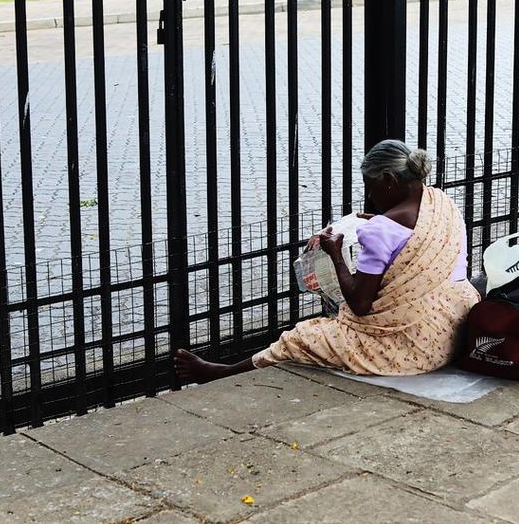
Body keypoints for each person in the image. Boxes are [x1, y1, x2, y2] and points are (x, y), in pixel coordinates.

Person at [175, 140, 480, 382]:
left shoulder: (380, 230)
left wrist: (336, 255)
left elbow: (360, 305)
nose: (371, 199)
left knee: (299, 337)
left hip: (415, 345)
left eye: (371, 189)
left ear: (388, 180)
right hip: (457, 327)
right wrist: (381, 220)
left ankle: (221, 372)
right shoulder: (441, 203)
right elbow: (417, 240)